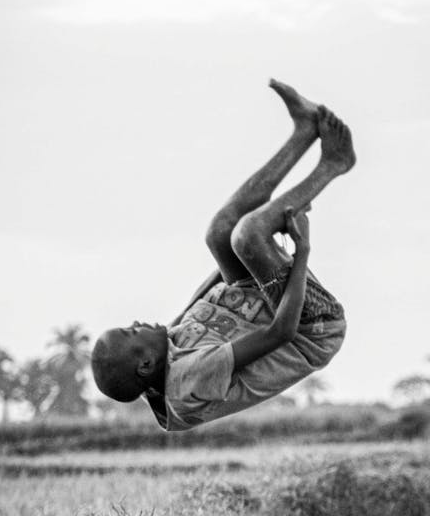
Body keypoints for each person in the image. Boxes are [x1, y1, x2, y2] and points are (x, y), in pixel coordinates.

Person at [91, 79, 356, 430]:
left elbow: (201, 300)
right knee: (249, 235)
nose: (137, 322)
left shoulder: (161, 355)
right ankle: (335, 162)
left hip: (259, 303)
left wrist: (231, 248)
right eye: (131, 331)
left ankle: (304, 132)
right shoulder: (190, 380)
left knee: (220, 232)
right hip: (313, 328)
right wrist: (300, 250)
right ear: (144, 365)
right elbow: (282, 333)